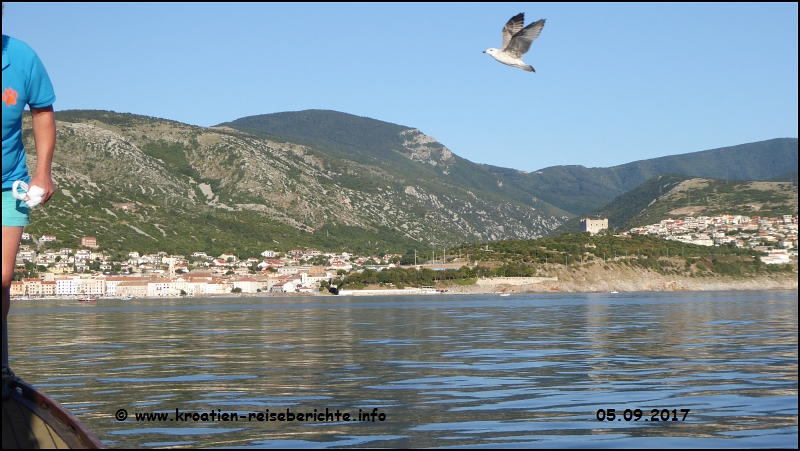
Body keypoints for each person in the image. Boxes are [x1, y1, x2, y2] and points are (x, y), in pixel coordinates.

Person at [2, 3, 57, 400]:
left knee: (2, 279)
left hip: (9, 184)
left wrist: (43, 172)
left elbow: (42, 112)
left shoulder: (22, 56)